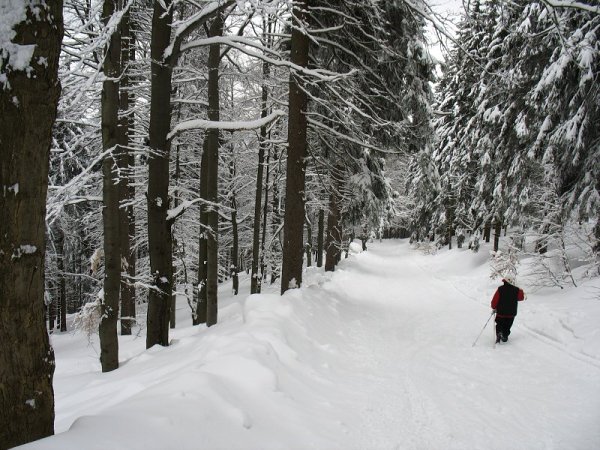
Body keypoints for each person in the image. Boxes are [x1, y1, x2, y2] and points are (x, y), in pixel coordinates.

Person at [491, 277, 526, 343]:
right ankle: (505, 335)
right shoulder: (516, 290)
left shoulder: (500, 289)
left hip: (501, 312)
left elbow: (495, 300)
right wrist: (520, 290)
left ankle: (499, 333)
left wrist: (493, 307)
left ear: (504, 282)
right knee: (508, 325)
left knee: (499, 324)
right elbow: (521, 298)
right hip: (511, 313)